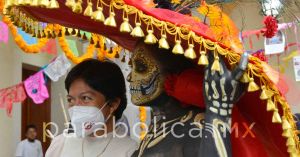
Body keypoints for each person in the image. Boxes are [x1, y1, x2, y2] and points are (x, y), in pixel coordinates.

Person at [45, 59, 137, 157]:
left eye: (85, 98)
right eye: (70, 100)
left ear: (113, 104)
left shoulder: (131, 150)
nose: (76, 107)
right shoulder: (60, 144)